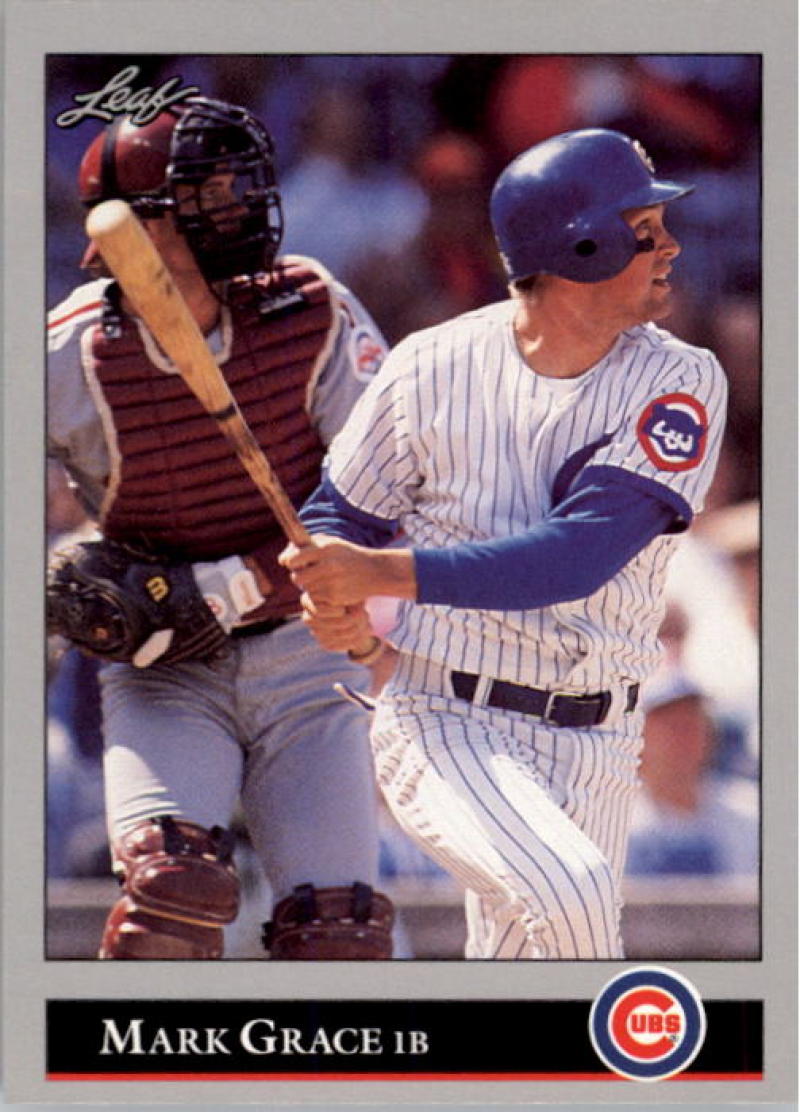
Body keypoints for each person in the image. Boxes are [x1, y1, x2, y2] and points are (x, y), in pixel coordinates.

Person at [281, 128, 728, 960]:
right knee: (573, 891)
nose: (668, 245)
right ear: (580, 247)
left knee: (534, 990)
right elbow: (339, 516)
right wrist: (335, 597)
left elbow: (572, 559)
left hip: (600, 737)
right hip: (447, 718)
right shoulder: (429, 366)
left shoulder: (682, 378)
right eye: (644, 229)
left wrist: (377, 574)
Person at [46, 96, 394, 960]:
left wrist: (234, 580)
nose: (236, 204)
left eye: (236, 186)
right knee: (174, 896)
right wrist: (62, 575)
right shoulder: (71, 352)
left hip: (308, 659)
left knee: (337, 935)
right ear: (134, 230)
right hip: (169, 670)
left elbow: (387, 493)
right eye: (206, 192)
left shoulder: (310, 308)